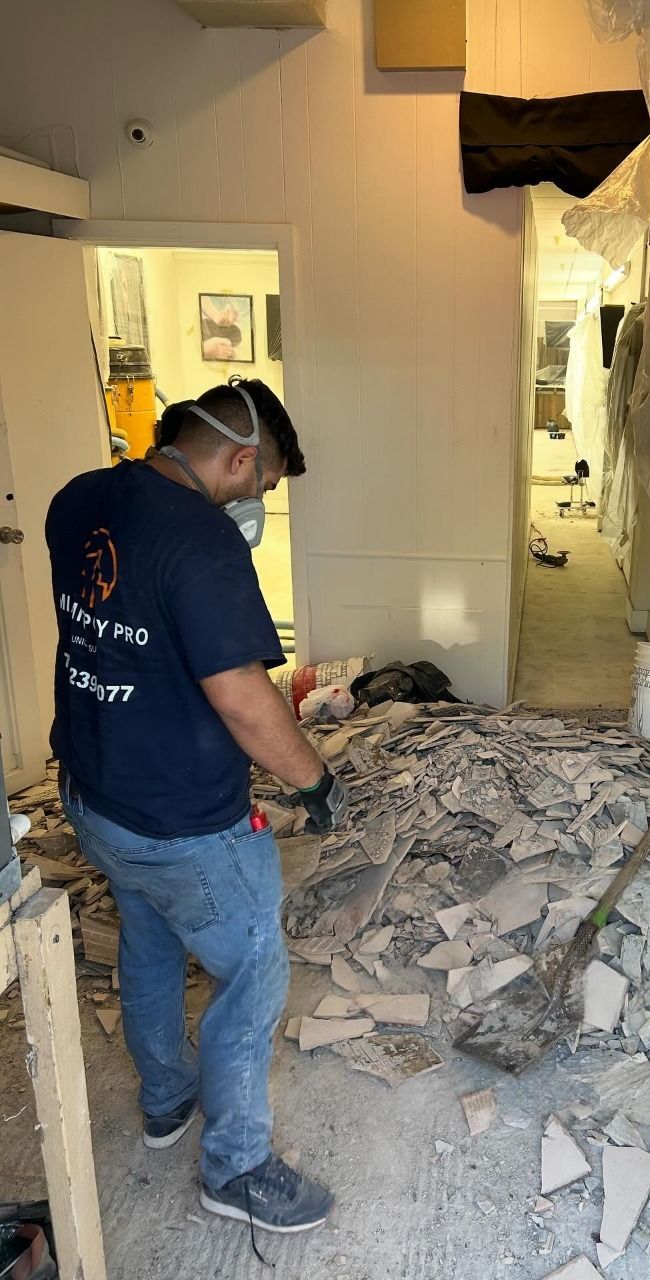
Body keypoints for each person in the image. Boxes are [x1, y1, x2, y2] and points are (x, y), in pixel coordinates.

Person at [45, 376, 346, 1235]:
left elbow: (108, 622)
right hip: (182, 820)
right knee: (253, 968)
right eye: (262, 486)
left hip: (96, 797)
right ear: (241, 459)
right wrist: (316, 781)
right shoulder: (206, 545)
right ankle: (237, 1168)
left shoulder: (79, 500)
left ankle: (167, 1103)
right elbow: (246, 701)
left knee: (146, 937)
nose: (256, 503)